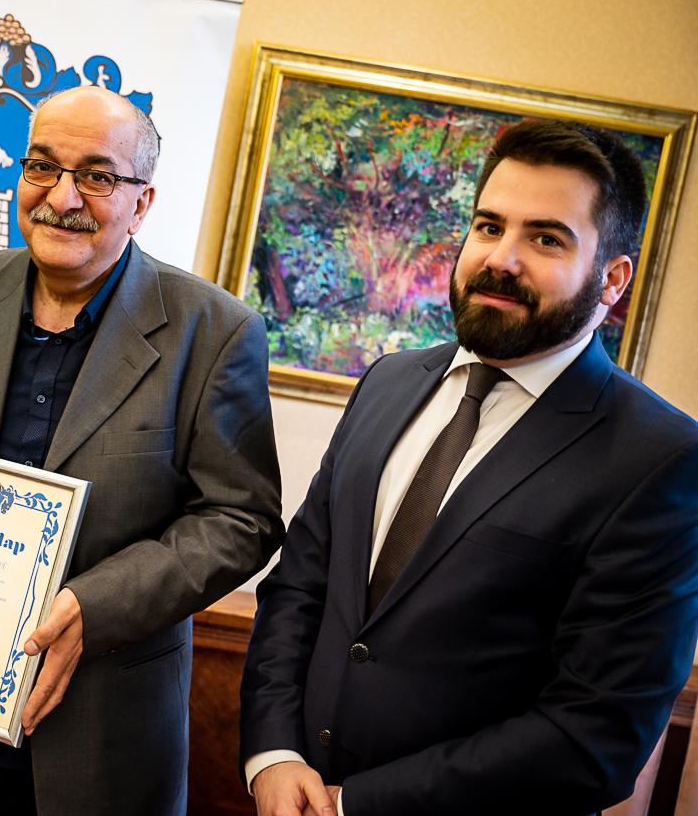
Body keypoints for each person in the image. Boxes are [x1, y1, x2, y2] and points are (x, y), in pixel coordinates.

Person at [0, 86, 283, 815]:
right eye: (42, 166)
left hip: (98, 740)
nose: (61, 197)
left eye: (97, 176)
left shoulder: (214, 331)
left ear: (141, 203)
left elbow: (242, 519)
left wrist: (92, 605)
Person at [239, 118, 698, 816]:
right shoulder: (388, 382)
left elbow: (595, 736)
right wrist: (273, 754)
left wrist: (355, 804)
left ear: (612, 280)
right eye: (489, 226)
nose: (501, 259)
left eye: (546, 239)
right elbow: (300, 587)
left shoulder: (658, 457)